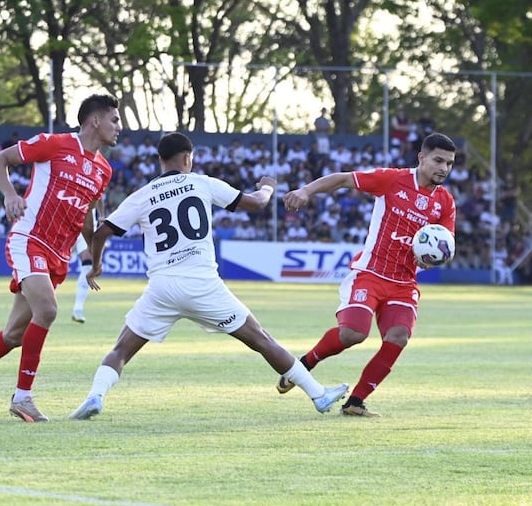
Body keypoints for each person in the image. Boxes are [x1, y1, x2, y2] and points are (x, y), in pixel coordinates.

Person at [69, 132, 348, 420]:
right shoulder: (201, 183)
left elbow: (102, 232)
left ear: (160, 160)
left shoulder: (142, 196)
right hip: (203, 284)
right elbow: (256, 203)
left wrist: (96, 265)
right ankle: (318, 394)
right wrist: (267, 187)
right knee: (262, 340)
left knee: (121, 349)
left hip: (162, 287)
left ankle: (95, 396)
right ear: (188, 158)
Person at [0, 94, 120, 422]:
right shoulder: (54, 144)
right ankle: (22, 398)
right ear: (95, 120)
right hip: (30, 240)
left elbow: (88, 216)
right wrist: (10, 195)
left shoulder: (103, 170)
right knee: (48, 310)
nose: (119, 127)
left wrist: (94, 257)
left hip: (58, 254)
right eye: (114, 119)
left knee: (13, 335)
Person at [275, 132, 458, 417]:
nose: (443, 168)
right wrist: (306, 191)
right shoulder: (393, 180)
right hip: (370, 273)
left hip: (404, 282)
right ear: (421, 157)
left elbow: (445, 243)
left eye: (449, 163)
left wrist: (435, 259)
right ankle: (304, 364)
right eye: (438, 160)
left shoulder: (445, 202)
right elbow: (344, 178)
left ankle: (355, 401)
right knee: (353, 334)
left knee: (398, 337)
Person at [71, 203, 105, 323]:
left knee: (88, 263)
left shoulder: (95, 185)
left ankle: (78, 309)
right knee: (53, 265)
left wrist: (102, 215)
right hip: (66, 222)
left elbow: (99, 196)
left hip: (87, 226)